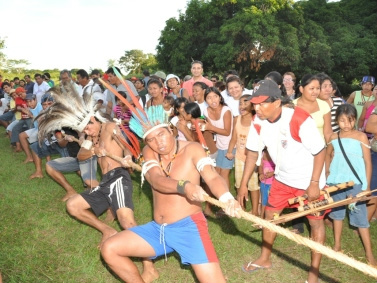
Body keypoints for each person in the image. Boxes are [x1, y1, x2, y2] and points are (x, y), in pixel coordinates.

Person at [100, 104, 241, 283]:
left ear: (171, 130)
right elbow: (157, 181)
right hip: (159, 230)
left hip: (189, 229)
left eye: (161, 134)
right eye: (151, 139)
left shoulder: (193, 149)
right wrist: (185, 186)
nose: (158, 143)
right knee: (110, 248)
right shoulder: (149, 151)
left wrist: (227, 198)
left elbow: (212, 177)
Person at [237, 80, 326, 283]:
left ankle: (313, 275)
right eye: (254, 104)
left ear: (277, 102)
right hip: (283, 178)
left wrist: (314, 184)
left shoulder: (299, 118)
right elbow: (252, 154)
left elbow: (320, 151)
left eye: (261, 104)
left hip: (308, 180)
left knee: (315, 223)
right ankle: (265, 258)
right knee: (270, 215)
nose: (256, 108)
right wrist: (242, 185)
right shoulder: (258, 122)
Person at [325, 104, 376, 267]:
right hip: (336, 182)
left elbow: (368, 162)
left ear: (355, 119)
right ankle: (337, 246)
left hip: (356, 182)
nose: (346, 124)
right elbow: (327, 155)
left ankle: (369, 254)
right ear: (336, 121)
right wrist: (327, 173)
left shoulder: (361, 136)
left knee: (361, 217)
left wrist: (366, 186)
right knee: (337, 214)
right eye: (342, 121)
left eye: (350, 120)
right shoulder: (333, 137)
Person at [226, 94, 260, 215]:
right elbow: (233, 138)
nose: (242, 105)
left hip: (253, 158)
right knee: (240, 183)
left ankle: (255, 210)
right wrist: (230, 151)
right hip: (240, 157)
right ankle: (242, 208)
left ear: (252, 106)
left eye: (246, 102)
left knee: (253, 185)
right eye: (240, 103)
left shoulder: (257, 120)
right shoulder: (237, 119)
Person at [203, 87, 233, 189]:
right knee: (218, 172)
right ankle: (221, 197)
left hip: (230, 145)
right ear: (206, 100)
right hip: (219, 145)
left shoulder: (226, 110)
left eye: (215, 96)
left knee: (224, 174)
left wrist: (210, 127)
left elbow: (227, 132)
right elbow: (212, 131)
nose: (213, 100)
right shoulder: (206, 111)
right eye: (209, 98)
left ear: (220, 97)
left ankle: (227, 201)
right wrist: (203, 127)